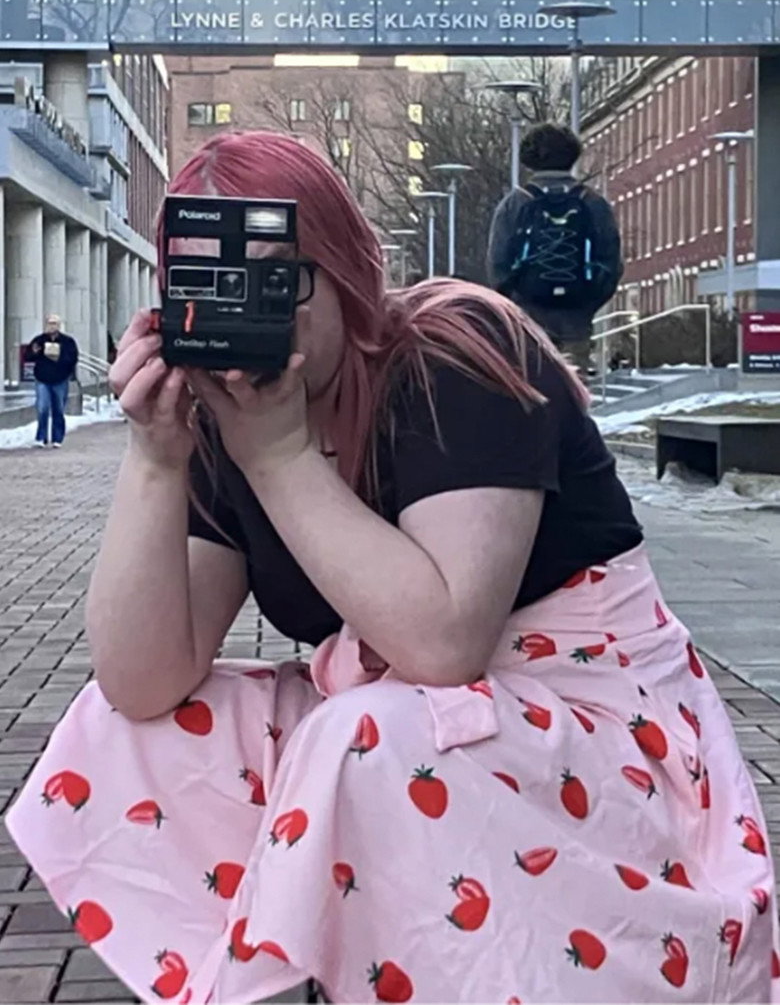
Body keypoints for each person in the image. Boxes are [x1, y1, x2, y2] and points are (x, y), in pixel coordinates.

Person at [7, 132, 777, 1005]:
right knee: (125, 731)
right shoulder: (226, 411)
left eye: (279, 277)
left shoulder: (458, 351)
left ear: (344, 267)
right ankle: (309, 963)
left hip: (595, 721)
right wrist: (154, 461)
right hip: (421, 726)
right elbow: (142, 681)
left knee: (368, 737)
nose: (248, 306)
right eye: (209, 279)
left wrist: (279, 456)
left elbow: (442, 644)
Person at [487, 122, 623, 379]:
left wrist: (515, 305)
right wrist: (587, 305)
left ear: (529, 158)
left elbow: (498, 264)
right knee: (574, 390)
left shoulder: (515, 203)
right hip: (576, 319)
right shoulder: (593, 203)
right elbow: (611, 263)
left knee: (532, 387)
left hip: (527, 319)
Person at [27, 313, 79, 448]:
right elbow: (28, 356)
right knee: (42, 408)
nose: (52, 326)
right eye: (50, 323)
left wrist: (60, 358)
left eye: (54, 323)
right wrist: (35, 352)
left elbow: (73, 358)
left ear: (59, 325)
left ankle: (57, 438)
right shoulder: (39, 340)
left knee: (58, 409)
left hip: (60, 379)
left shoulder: (67, 341)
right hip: (42, 379)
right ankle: (41, 437)